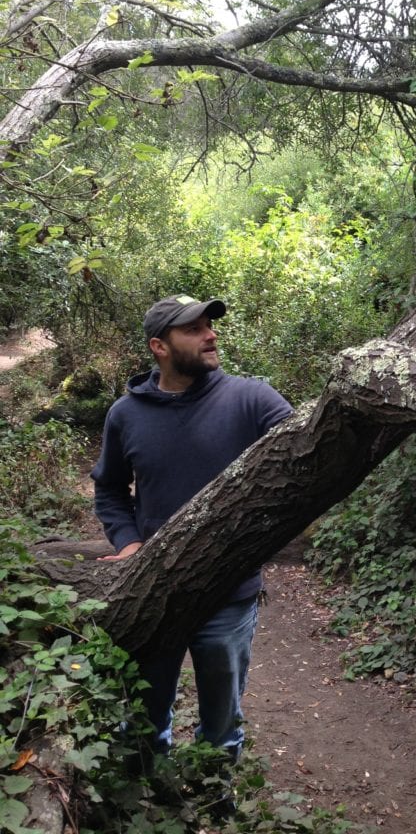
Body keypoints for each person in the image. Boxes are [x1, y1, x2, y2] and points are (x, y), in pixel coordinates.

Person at [92, 294, 293, 764]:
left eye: (210, 325)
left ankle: (214, 802)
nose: (211, 335)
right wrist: (130, 544)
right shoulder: (126, 414)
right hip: (151, 595)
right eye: (195, 329)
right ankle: (150, 803)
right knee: (143, 720)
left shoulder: (253, 399)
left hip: (229, 596)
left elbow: (308, 463)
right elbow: (111, 491)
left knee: (222, 727)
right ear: (159, 346)